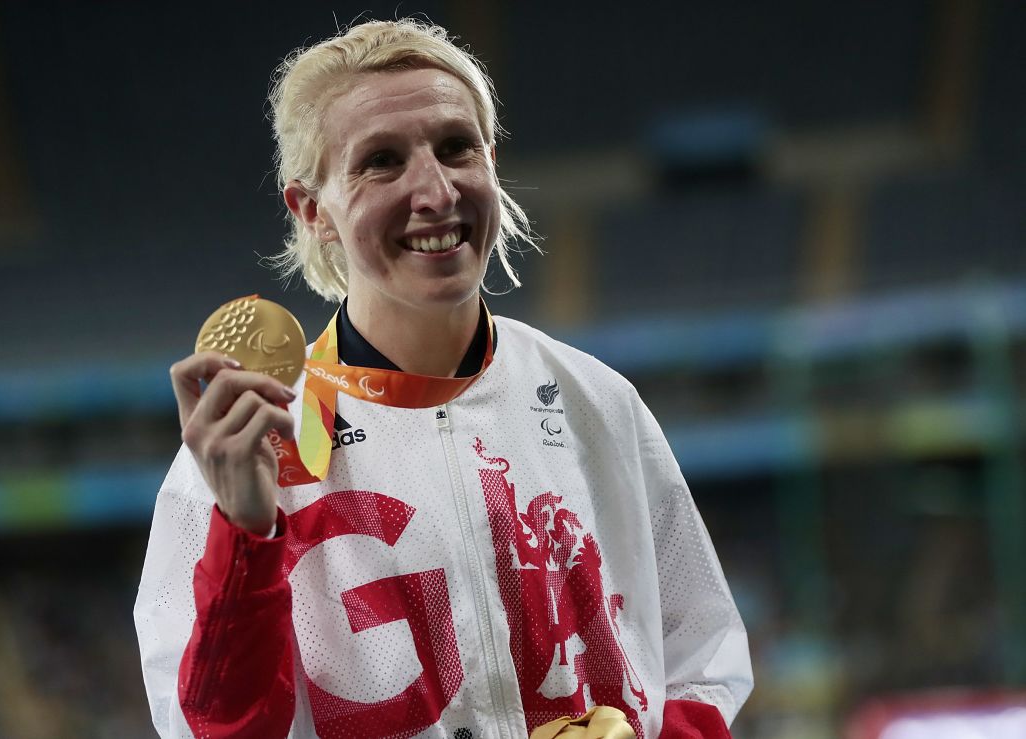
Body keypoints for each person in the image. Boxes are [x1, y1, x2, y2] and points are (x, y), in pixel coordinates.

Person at [134, 18, 752, 739]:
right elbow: (214, 731)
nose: (434, 190)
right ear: (311, 208)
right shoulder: (245, 449)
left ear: (491, 161)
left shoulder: (595, 401)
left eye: (456, 148)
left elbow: (703, 657)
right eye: (382, 161)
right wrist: (246, 533)